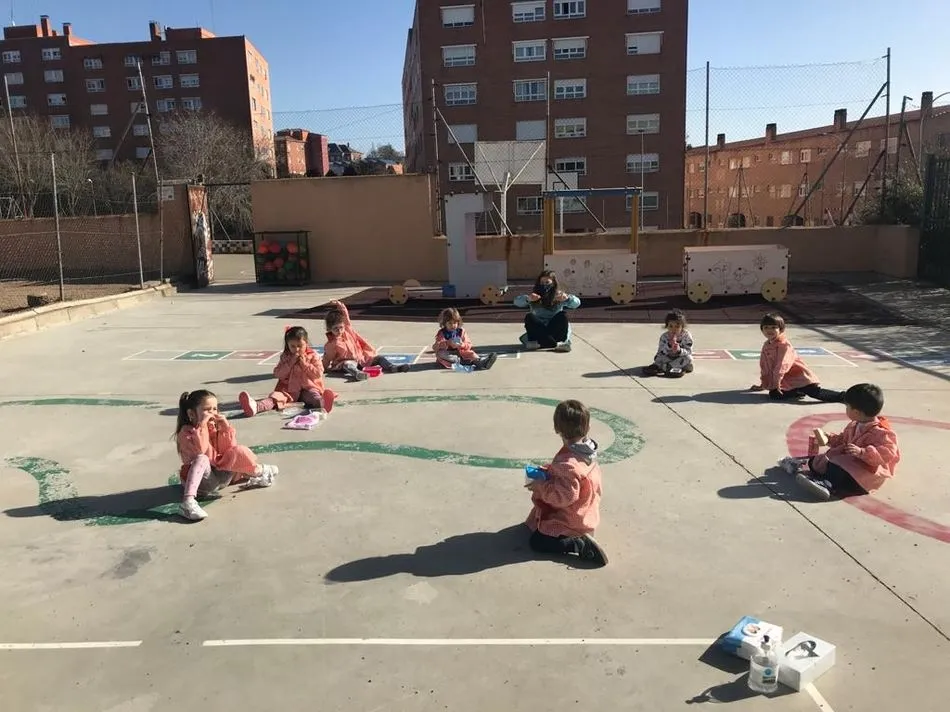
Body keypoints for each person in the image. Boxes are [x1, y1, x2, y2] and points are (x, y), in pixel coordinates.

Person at [524, 399, 608, 567]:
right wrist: (550, 471)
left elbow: (562, 498)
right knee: (534, 521)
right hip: (587, 507)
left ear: (557, 429)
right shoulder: (588, 450)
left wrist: (540, 486)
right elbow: (575, 477)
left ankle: (577, 543)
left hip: (573, 519)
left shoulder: (567, 464)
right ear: (588, 428)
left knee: (537, 542)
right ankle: (577, 536)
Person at [174, 389, 279, 521]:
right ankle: (188, 503)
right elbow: (201, 450)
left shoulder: (214, 427)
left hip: (221, 478)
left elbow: (228, 449)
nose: (213, 413)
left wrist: (224, 428)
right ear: (191, 414)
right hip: (204, 483)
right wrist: (202, 426)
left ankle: (258, 471)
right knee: (202, 459)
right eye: (207, 410)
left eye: (215, 409)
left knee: (238, 450)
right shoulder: (187, 433)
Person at [791, 383, 901, 501]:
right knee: (818, 462)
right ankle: (824, 477)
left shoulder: (882, 433)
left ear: (856, 412)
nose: (846, 410)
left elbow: (888, 452)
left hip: (865, 475)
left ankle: (827, 485)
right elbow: (843, 439)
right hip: (851, 464)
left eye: (847, 407)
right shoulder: (854, 425)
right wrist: (828, 439)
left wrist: (862, 452)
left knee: (838, 467)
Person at [239, 325, 336, 417]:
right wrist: (289, 364)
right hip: (288, 390)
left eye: (300, 345)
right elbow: (278, 373)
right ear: (288, 345)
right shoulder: (286, 357)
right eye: (292, 346)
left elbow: (318, 373)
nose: (296, 349)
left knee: (314, 396)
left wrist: (305, 365)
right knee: (275, 398)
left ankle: (323, 403)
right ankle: (256, 407)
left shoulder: (313, 356)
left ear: (306, 343)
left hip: (308, 388)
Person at [749, 313, 843, 402]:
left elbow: (782, 365)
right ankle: (798, 391)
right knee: (774, 395)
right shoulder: (767, 345)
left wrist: (777, 383)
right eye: (766, 327)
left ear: (781, 329)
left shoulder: (784, 345)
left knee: (815, 393)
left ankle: (843, 396)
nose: (769, 330)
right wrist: (763, 384)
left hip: (799, 376)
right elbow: (765, 366)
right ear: (762, 329)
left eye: (773, 327)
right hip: (786, 380)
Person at [323, 300, 411, 380]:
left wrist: (340, 306)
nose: (339, 331)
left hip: (361, 359)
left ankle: (392, 367)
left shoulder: (348, 331)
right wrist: (324, 368)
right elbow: (327, 358)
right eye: (336, 329)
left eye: (341, 327)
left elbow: (346, 317)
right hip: (347, 363)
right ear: (329, 329)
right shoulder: (331, 344)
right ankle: (358, 374)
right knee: (348, 365)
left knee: (379, 358)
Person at [513, 270, 581, 352]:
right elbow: (517, 302)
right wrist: (528, 299)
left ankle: (553, 342)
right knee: (529, 317)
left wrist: (568, 298)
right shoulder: (534, 295)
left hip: (554, 330)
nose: (544, 285)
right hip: (539, 330)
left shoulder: (559, 295)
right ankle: (550, 343)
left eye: (547, 282)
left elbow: (576, 303)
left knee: (563, 315)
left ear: (553, 283)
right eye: (542, 282)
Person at [433, 307, 498, 370]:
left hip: (461, 353)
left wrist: (462, 345)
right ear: (445, 323)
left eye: (455, 323)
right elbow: (435, 347)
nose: (453, 325)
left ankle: (481, 362)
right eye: (450, 323)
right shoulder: (442, 333)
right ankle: (462, 361)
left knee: (470, 353)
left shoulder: (461, 331)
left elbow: (469, 344)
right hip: (449, 355)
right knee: (440, 353)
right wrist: (447, 343)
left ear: (458, 322)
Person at [642, 309, 694, 377]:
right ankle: (659, 366)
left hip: (680, 357)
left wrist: (679, 350)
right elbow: (660, 351)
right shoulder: (664, 337)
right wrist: (669, 346)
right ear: (667, 326)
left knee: (688, 358)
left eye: (677, 326)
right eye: (671, 326)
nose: (673, 329)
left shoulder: (686, 336)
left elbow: (689, 351)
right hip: (668, 356)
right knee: (658, 358)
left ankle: (668, 367)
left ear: (682, 327)